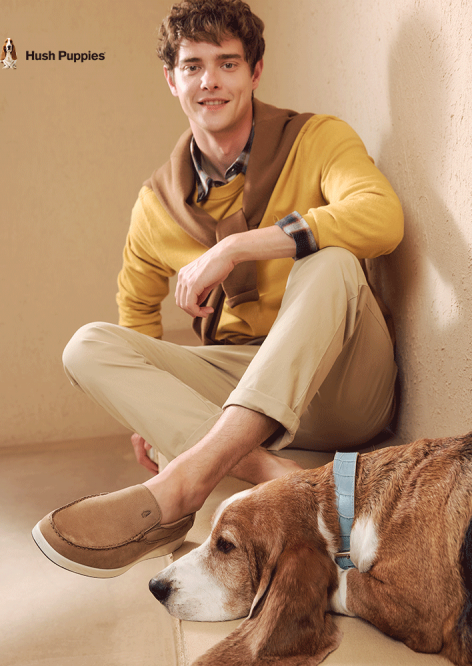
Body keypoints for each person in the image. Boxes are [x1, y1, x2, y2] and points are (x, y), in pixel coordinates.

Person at [32, 0, 404, 578]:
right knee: (86, 345)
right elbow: (137, 311)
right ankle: (272, 474)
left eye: (228, 63)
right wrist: (145, 411)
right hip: (245, 378)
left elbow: (382, 218)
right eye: (193, 66)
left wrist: (235, 248)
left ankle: (183, 482)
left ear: (255, 72)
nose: (210, 81)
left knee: (329, 260)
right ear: (171, 79)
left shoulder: (317, 138)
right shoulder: (155, 205)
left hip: (344, 381)